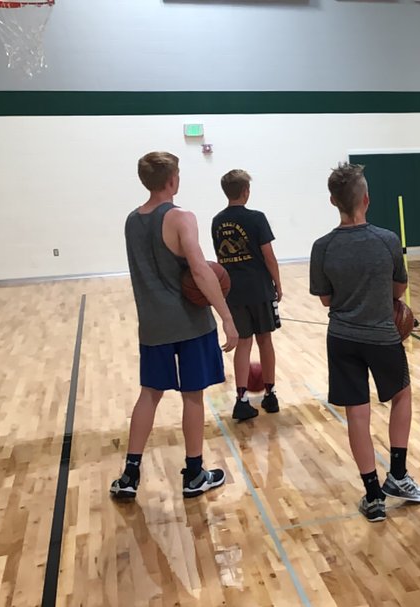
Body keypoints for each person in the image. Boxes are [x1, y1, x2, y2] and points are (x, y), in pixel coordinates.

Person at [110, 151, 238, 501]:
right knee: (192, 395)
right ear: (172, 180)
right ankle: (194, 473)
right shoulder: (182, 217)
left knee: (149, 394)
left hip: (152, 324)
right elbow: (199, 270)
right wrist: (227, 317)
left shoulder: (132, 221)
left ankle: (130, 474)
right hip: (189, 324)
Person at [309, 163, 420, 523]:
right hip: (382, 336)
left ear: (332, 201)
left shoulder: (322, 247)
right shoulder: (387, 240)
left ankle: (373, 495)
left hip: (342, 338)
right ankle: (398, 475)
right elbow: (399, 289)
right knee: (402, 396)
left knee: (357, 414)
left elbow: (326, 299)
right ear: (366, 199)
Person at [211, 169, 282, 421]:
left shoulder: (217, 221)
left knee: (243, 343)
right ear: (245, 191)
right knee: (265, 340)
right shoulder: (256, 218)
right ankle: (270, 395)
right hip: (260, 289)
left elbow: (221, 257)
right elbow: (268, 256)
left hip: (233, 291)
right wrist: (278, 283)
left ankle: (241, 400)